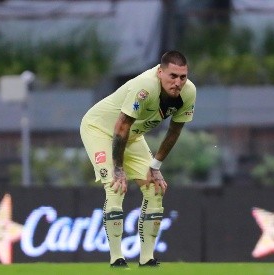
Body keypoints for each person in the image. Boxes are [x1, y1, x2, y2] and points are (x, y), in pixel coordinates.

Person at [80, 50, 196, 268]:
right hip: (99, 130)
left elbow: (174, 131)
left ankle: (147, 258)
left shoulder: (188, 93)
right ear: (160, 72)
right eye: (172, 76)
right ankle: (117, 258)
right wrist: (118, 168)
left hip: (131, 137)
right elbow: (121, 126)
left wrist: (156, 166)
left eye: (183, 77)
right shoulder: (144, 87)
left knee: (155, 189)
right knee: (115, 186)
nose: (178, 82)